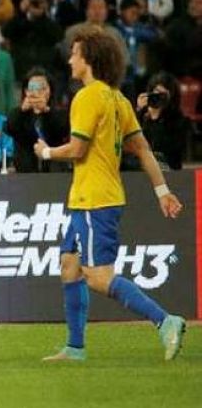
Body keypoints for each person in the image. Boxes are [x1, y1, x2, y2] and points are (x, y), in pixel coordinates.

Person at [33, 28, 186, 362]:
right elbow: (143, 149)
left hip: (94, 200)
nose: (70, 60)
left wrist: (45, 152)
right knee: (69, 265)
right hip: (96, 197)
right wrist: (162, 191)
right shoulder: (117, 98)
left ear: (89, 58)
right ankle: (75, 348)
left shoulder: (88, 97)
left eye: (75, 53)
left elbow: (77, 149)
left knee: (98, 276)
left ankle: (165, 320)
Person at [5, 67, 69, 173]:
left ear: (50, 91)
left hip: (54, 173)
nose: (38, 92)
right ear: (26, 91)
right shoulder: (18, 114)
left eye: (43, 88)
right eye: (33, 88)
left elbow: (63, 130)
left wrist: (46, 110)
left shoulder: (59, 113)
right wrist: (22, 110)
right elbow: (9, 128)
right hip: (26, 174)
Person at [136, 72, 189, 170]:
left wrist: (155, 119)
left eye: (163, 95)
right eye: (156, 94)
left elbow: (166, 149)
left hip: (169, 169)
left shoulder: (178, 119)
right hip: (143, 169)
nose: (159, 99)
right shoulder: (143, 116)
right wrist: (139, 111)